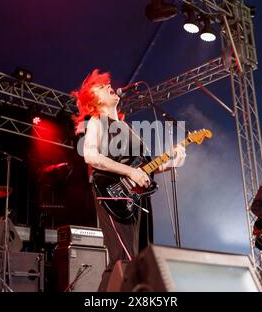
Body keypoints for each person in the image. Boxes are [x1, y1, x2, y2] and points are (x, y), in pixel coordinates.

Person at [71, 69, 186, 291]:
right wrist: (130, 172)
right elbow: (91, 156)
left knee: (138, 260)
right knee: (121, 259)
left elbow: (142, 169)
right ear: (93, 101)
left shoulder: (128, 128)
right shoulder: (96, 120)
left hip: (136, 197)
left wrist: (171, 163)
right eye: (100, 87)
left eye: (107, 84)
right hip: (112, 193)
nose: (107, 86)